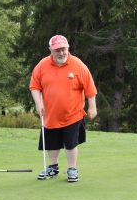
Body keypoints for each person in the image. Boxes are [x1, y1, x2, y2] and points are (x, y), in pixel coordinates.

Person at [30, 35, 98, 182]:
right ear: (50, 50)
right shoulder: (42, 65)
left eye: (63, 49)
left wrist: (92, 107)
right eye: (57, 50)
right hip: (50, 113)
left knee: (71, 143)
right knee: (52, 143)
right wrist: (38, 103)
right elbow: (34, 86)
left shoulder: (78, 65)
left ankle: (72, 169)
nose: (61, 53)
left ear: (68, 48)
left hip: (73, 113)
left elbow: (90, 87)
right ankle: (52, 168)